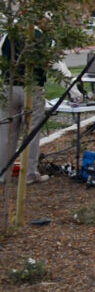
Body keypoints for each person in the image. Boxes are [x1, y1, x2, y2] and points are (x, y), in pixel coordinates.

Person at [0, 24, 49, 185]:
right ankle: (29, 173)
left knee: (6, 134)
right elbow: (52, 62)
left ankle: (3, 172)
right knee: (32, 133)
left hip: (9, 86)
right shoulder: (39, 35)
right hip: (32, 87)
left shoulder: (8, 34)